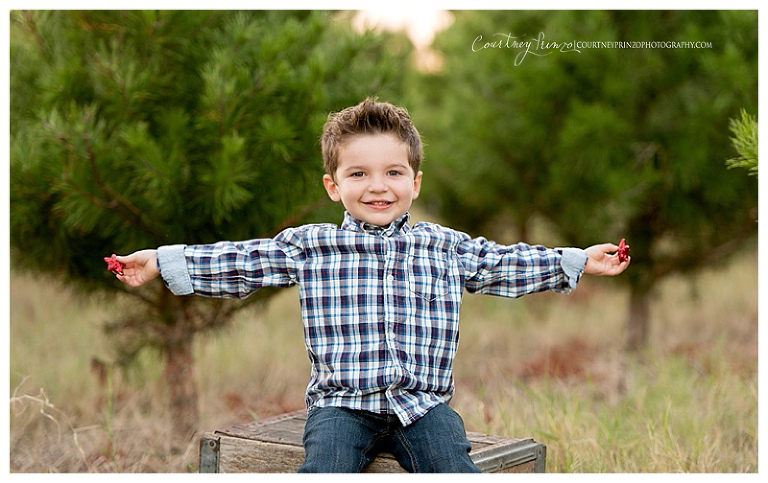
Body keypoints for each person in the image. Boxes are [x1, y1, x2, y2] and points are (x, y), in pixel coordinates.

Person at [113, 98, 630, 473]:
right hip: (342, 404)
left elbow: (504, 263)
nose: (378, 186)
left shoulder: (442, 245)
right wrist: (163, 261)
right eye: (358, 174)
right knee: (325, 469)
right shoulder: (310, 245)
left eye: (393, 172)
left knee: (454, 466)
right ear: (333, 186)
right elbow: (241, 261)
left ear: (415, 182)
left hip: (422, 406)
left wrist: (576, 261)